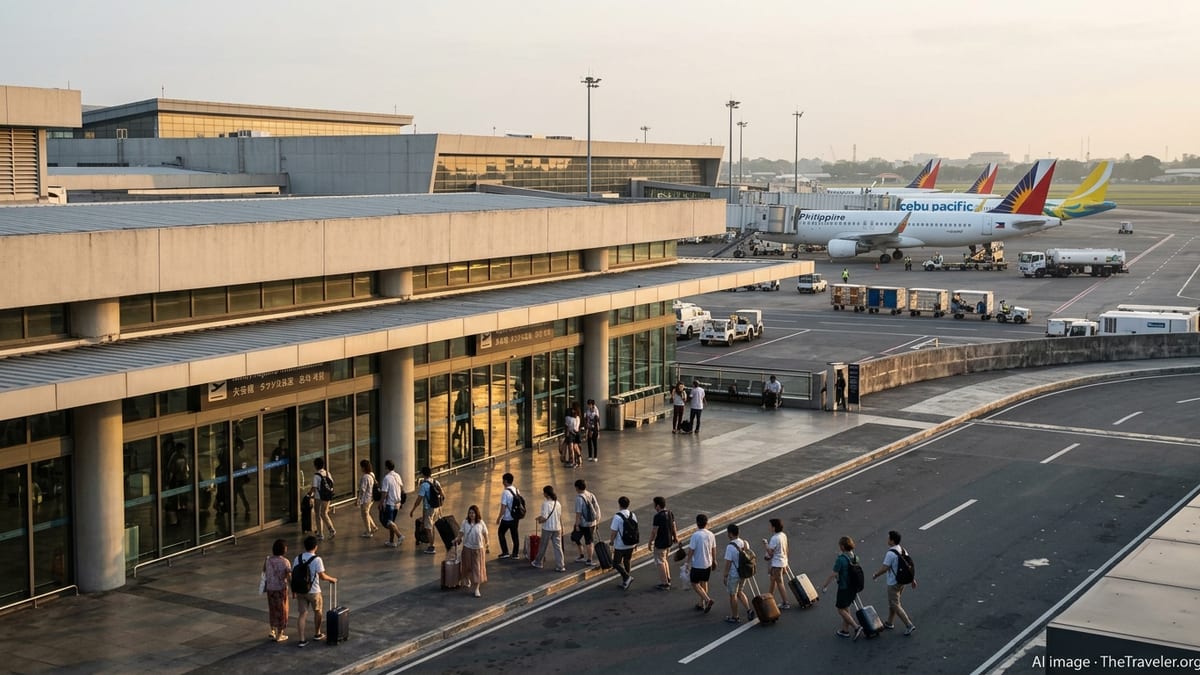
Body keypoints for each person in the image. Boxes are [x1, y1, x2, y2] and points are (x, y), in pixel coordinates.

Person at [293, 535, 337, 648]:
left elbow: (293, 574)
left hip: (301, 590)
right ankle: (317, 633)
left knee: (302, 614)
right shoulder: (317, 559)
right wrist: (332, 579)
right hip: (314, 591)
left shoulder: (297, 558)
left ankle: (301, 639)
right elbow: (322, 576)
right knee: (318, 611)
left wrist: (293, 590)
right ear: (315, 547)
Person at [872, 530, 917, 635]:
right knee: (892, 603)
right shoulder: (903, 550)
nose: (887, 540)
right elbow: (908, 566)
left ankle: (909, 625)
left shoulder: (890, 553)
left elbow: (885, 568)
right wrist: (912, 579)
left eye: (888, 538)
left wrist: (876, 575)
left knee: (895, 604)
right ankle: (889, 622)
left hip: (893, 583)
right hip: (902, 582)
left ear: (892, 541)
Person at [820, 535, 862, 639]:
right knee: (846, 607)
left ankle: (856, 627)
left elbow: (834, 574)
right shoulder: (854, 557)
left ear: (842, 546)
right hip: (853, 586)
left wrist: (825, 585)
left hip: (844, 587)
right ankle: (845, 630)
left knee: (840, 609)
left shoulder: (841, 559)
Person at [721, 523, 755, 624]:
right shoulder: (744, 543)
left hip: (734, 574)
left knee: (733, 595)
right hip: (743, 573)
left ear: (730, 534)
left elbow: (728, 563)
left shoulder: (730, 547)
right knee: (740, 591)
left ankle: (735, 616)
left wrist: (725, 576)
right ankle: (749, 609)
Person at [455, 504, 490, 598]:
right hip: (467, 548)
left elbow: (485, 534)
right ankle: (467, 579)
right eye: (470, 513)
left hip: (478, 549)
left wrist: (487, 544)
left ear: (476, 513)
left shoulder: (481, 523)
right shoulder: (465, 522)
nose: (471, 515)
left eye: (473, 513)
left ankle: (476, 589)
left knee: (477, 569)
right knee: (467, 567)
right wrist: (457, 539)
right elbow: (461, 533)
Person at [262, 538, 291, 643]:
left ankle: (272, 630)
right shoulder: (285, 562)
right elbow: (289, 576)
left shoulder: (268, 560)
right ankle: (280, 634)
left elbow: (264, 570)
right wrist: (294, 590)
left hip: (270, 589)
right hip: (280, 589)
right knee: (282, 611)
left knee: (272, 609)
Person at [687, 514, 717, 614]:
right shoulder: (711, 534)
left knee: (695, 583)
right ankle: (701, 603)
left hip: (698, 564)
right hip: (708, 563)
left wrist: (688, 562)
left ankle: (707, 600)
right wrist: (714, 560)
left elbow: (691, 550)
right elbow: (713, 549)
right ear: (706, 523)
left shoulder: (695, 535)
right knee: (704, 582)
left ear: (697, 523)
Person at [531, 485, 566, 572]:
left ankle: (538, 562)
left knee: (543, 546)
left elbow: (544, 517)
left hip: (547, 528)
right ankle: (560, 565)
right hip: (557, 528)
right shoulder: (557, 503)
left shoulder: (545, 504)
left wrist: (539, 520)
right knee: (558, 547)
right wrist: (562, 527)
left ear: (546, 494)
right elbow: (559, 516)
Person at [409, 465, 441, 554]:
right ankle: (432, 542)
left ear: (423, 474)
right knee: (432, 526)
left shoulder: (424, 485)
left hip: (428, 508)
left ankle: (431, 546)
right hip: (436, 508)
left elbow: (419, 500)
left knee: (428, 527)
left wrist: (413, 510)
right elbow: (442, 495)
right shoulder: (436, 482)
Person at [608, 496, 637, 590]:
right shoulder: (633, 515)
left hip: (621, 544)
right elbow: (636, 529)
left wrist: (611, 541)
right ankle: (626, 580)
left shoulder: (617, 517)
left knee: (616, 563)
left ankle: (626, 577)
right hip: (631, 543)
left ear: (619, 504)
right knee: (627, 560)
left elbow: (614, 531)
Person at [648, 496, 677, 590]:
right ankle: (668, 578)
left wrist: (650, 542)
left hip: (660, 542)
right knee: (664, 560)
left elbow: (654, 531)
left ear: (658, 506)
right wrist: (675, 537)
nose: (654, 507)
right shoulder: (670, 513)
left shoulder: (657, 516)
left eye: (654, 505)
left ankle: (664, 583)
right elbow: (673, 526)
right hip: (669, 541)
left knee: (660, 562)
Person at [379, 459, 407, 548]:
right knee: (392, 522)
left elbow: (384, 492)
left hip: (390, 503)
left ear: (386, 467)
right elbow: (402, 488)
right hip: (397, 503)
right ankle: (391, 541)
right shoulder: (397, 476)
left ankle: (399, 536)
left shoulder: (386, 478)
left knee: (387, 521)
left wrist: (381, 503)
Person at [572, 479, 600, 566]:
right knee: (589, 540)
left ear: (577, 487)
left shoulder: (579, 498)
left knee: (576, 538)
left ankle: (584, 556)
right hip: (592, 522)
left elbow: (578, 513)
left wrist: (577, 524)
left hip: (583, 523)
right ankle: (589, 559)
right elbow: (597, 508)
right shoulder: (591, 495)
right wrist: (597, 521)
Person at [764, 518, 790, 609]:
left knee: (779, 582)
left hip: (776, 564)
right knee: (773, 579)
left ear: (774, 527)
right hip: (782, 561)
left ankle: (785, 602)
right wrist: (786, 562)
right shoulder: (783, 535)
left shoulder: (774, 538)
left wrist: (766, 544)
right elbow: (786, 549)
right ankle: (769, 597)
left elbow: (770, 553)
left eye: (771, 526)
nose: (769, 528)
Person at [308, 457, 336, 541]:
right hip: (327, 496)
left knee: (318, 514)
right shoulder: (327, 473)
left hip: (318, 497)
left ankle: (320, 533)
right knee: (324, 513)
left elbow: (314, 487)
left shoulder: (316, 475)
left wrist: (309, 494)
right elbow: (332, 483)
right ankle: (331, 529)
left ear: (315, 465)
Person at [495, 472, 520, 559]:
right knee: (514, 535)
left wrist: (499, 518)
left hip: (507, 518)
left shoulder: (505, 492)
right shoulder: (516, 490)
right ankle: (515, 553)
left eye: (503, 480)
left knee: (501, 533)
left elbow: (503, 507)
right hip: (515, 517)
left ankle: (505, 552)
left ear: (505, 481)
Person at [357, 459, 379, 538]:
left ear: (363, 468)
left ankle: (368, 531)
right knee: (367, 513)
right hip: (372, 497)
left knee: (364, 514)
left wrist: (358, 500)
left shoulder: (365, 477)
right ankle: (373, 527)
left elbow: (362, 490)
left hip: (366, 499)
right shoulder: (372, 474)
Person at [563, 404, 582, 468]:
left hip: (572, 433)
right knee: (575, 447)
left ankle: (573, 461)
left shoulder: (570, 418)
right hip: (576, 433)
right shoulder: (577, 418)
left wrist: (567, 434)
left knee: (572, 447)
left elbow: (567, 427)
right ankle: (577, 459)